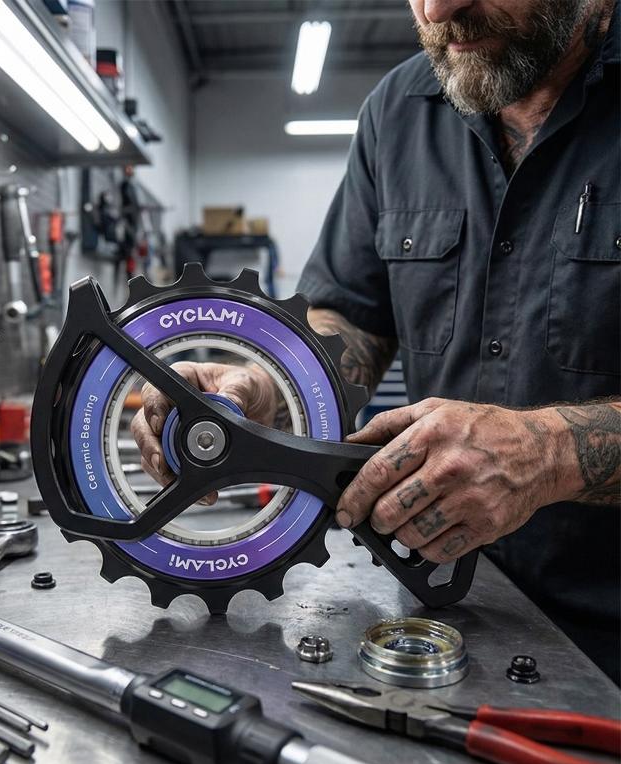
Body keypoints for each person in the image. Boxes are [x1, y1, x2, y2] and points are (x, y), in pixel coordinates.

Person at [132, 0, 621, 682]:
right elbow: (351, 317)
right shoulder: (399, 109)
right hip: (447, 610)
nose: (438, 9)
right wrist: (273, 385)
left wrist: (551, 453)